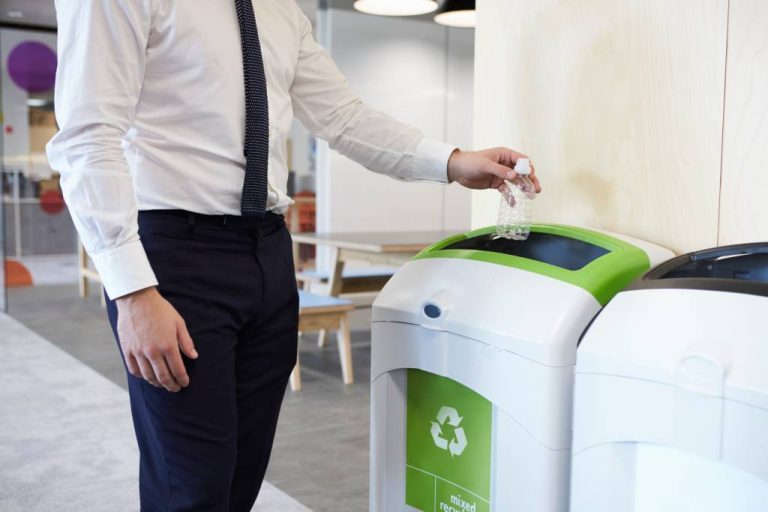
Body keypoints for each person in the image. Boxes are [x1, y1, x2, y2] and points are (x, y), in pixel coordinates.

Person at [47, 0, 541, 510]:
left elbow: (343, 117)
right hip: (175, 256)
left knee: (242, 471)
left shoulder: (278, 8)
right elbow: (89, 136)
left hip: (267, 251)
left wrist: (453, 162)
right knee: (192, 484)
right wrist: (132, 291)